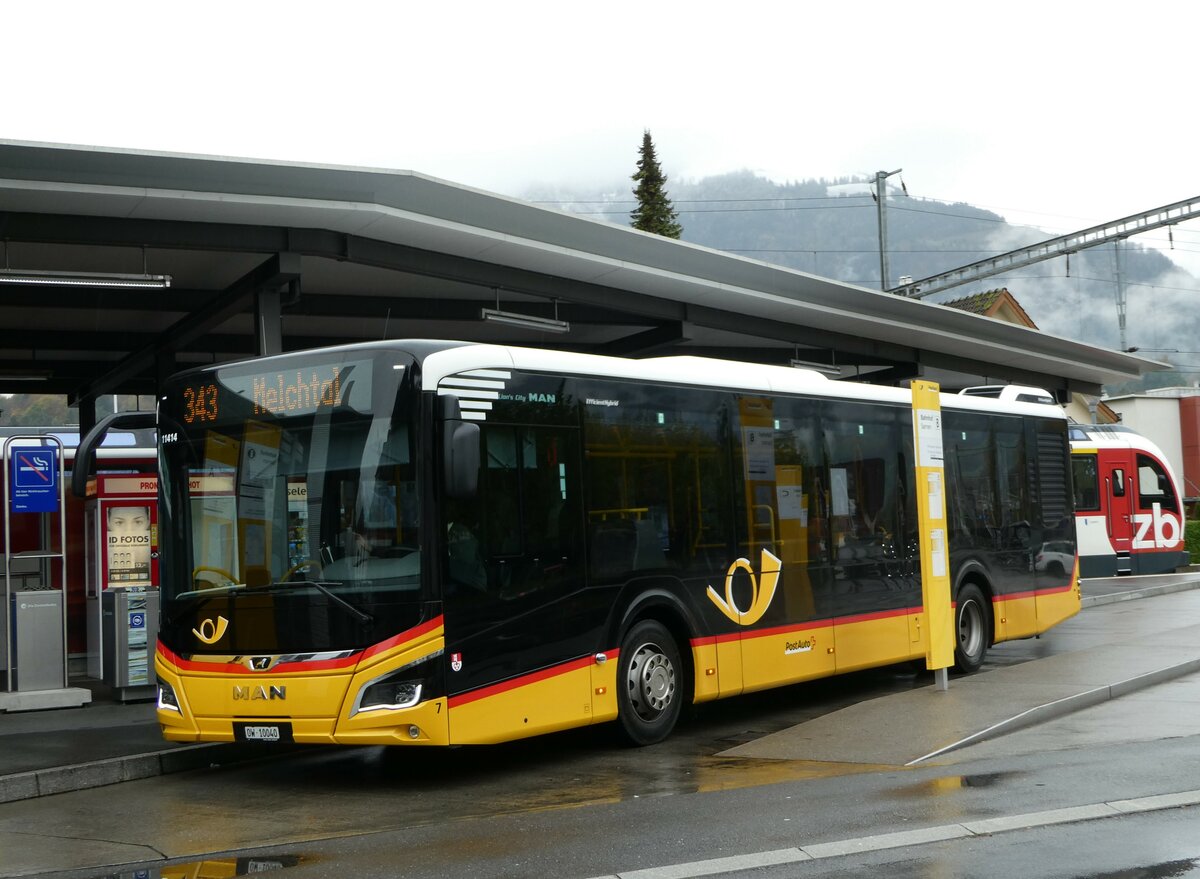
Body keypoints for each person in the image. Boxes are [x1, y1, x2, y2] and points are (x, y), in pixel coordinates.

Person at [107, 505, 151, 585]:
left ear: (148, 522)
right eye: (119, 522)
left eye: (138, 522)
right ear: (108, 522)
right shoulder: (103, 557)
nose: (129, 530)